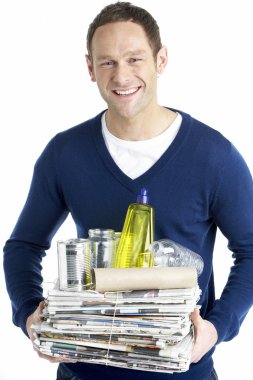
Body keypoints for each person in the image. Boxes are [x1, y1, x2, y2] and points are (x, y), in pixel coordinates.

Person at [3, 2, 253, 380]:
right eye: (107, 62)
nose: (122, 76)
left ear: (161, 59)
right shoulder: (65, 153)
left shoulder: (213, 155)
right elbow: (23, 246)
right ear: (90, 67)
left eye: (135, 59)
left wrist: (216, 328)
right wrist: (30, 314)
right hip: (83, 371)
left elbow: (251, 250)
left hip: (182, 371)